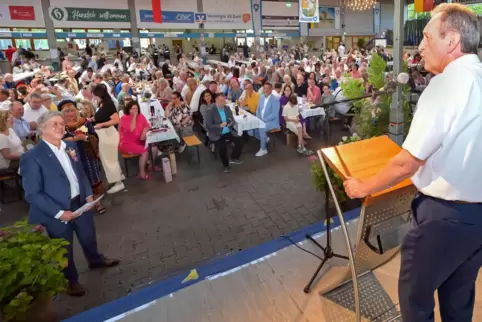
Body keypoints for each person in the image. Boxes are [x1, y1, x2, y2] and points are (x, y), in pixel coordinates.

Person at [344, 4, 482, 322]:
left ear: (452, 41)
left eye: (426, 36)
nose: (419, 46)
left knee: (415, 300)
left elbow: (406, 163)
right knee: (458, 299)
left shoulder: (446, 84)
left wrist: (362, 186)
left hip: (443, 218)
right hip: (475, 218)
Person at [20, 111, 119, 297]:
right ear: (42, 130)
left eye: (61, 123)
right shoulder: (32, 157)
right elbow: (32, 194)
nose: (60, 127)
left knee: (89, 236)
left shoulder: (70, 145)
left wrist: (88, 194)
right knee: (63, 248)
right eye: (54, 124)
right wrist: (59, 213)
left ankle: (95, 260)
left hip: (80, 203)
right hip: (56, 211)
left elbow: (80, 173)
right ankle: (70, 281)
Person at [59, 100, 106, 215]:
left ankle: (97, 203)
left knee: (93, 178)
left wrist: (88, 137)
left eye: (72, 110)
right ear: (62, 113)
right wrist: (76, 138)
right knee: (77, 179)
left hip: (88, 154)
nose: (70, 113)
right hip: (72, 157)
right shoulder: (60, 126)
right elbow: (59, 140)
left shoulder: (84, 122)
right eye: (67, 111)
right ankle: (84, 205)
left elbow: (94, 135)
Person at [91, 84, 125, 194]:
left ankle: (118, 183)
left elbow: (116, 120)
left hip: (107, 134)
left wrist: (101, 124)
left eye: (94, 95)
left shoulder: (108, 104)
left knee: (109, 160)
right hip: (106, 134)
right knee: (112, 159)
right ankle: (119, 175)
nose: (93, 97)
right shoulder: (103, 103)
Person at [119, 101, 158, 179]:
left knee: (154, 148)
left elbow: (147, 125)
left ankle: (150, 164)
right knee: (145, 151)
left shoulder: (140, 116)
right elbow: (131, 129)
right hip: (127, 143)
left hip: (139, 140)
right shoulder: (124, 118)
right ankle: (141, 173)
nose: (134, 110)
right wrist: (134, 117)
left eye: (136, 108)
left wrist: (144, 132)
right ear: (128, 109)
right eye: (132, 109)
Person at [205, 93, 244, 173]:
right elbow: (208, 125)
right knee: (222, 147)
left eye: (223, 101)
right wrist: (219, 125)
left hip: (228, 131)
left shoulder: (227, 108)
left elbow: (232, 119)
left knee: (240, 140)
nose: (222, 103)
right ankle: (226, 165)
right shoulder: (211, 111)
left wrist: (230, 123)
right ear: (216, 100)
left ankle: (234, 157)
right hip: (217, 133)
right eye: (220, 101)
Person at [253, 82, 280, 157]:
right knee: (251, 129)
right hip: (261, 119)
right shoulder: (261, 97)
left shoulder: (275, 100)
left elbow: (274, 114)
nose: (266, 90)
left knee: (261, 128)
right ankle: (265, 138)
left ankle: (263, 149)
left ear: (271, 89)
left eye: (268, 88)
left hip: (272, 121)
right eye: (265, 88)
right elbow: (258, 108)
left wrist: (263, 119)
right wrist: (258, 117)